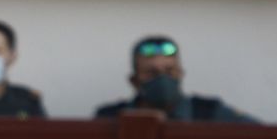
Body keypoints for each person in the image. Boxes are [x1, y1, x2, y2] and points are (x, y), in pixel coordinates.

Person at [95, 35, 257, 123]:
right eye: (151, 73)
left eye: (170, 71)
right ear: (134, 81)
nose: (163, 79)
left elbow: (261, 135)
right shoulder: (110, 117)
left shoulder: (208, 112)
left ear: (181, 74)